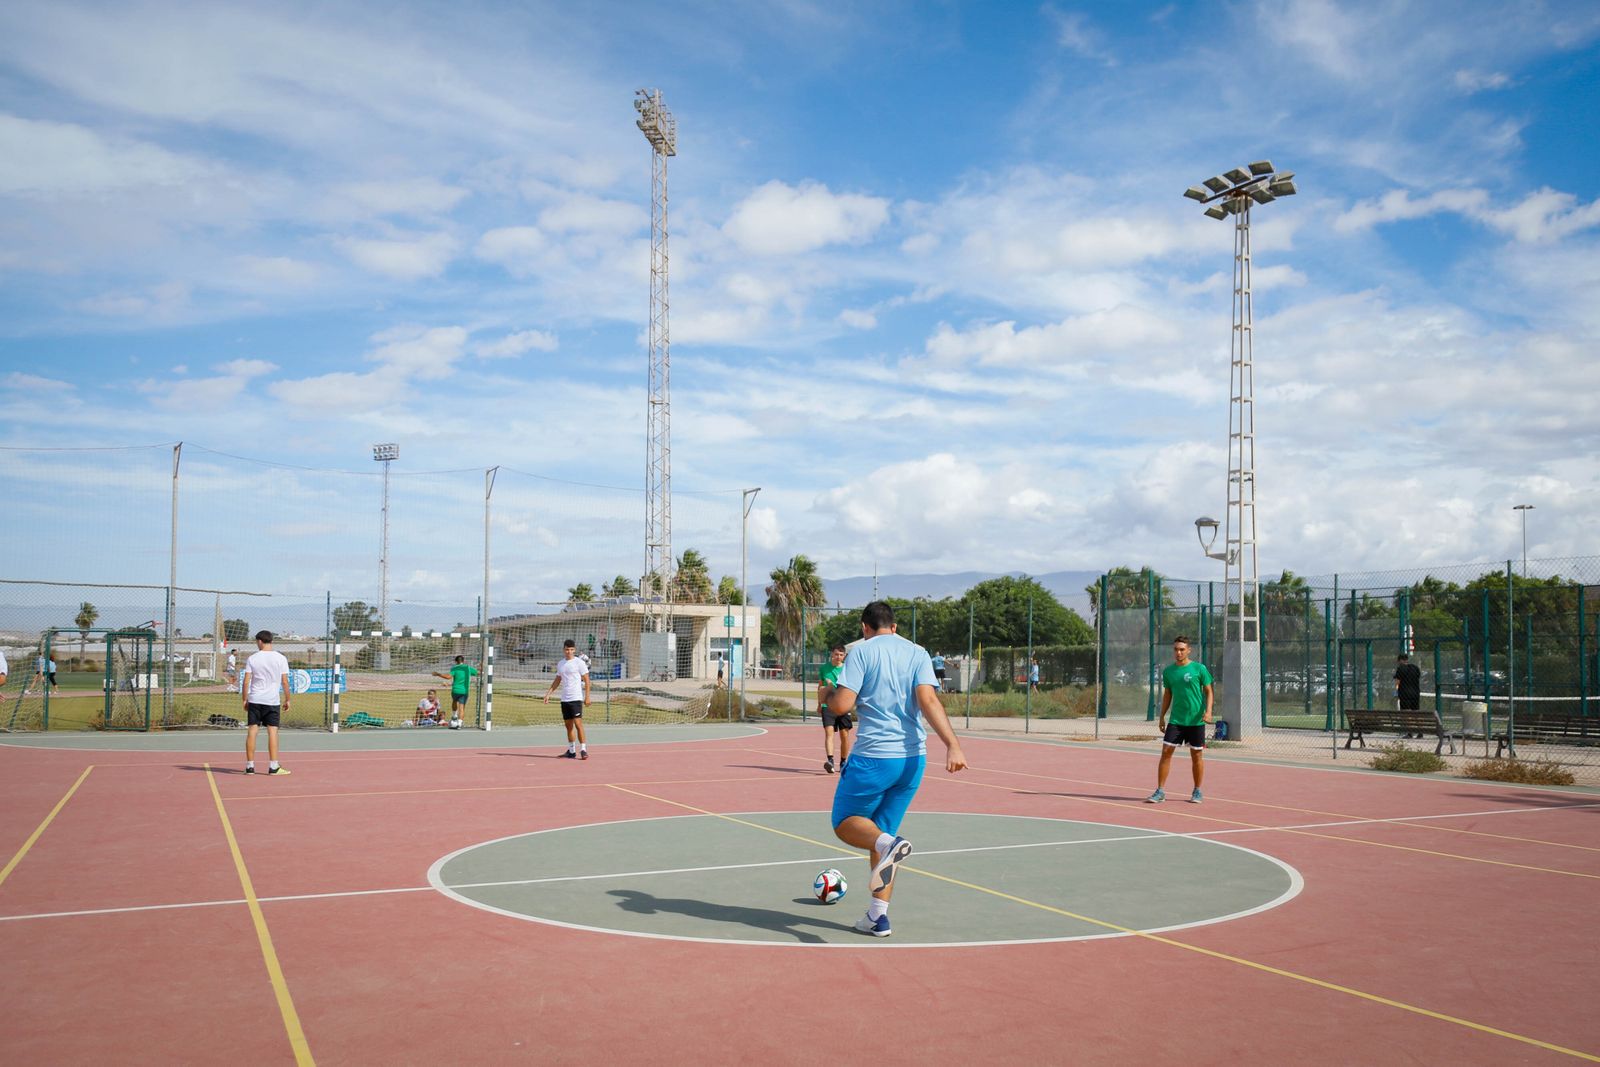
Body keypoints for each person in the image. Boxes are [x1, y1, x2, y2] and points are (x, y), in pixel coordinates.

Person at [827, 601, 967, 938]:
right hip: (913, 760)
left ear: (865, 627)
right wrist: (953, 744)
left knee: (845, 825)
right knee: (881, 835)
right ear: (894, 625)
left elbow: (842, 704)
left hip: (875, 757)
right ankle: (878, 917)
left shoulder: (861, 652)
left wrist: (828, 694)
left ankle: (890, 849)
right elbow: (929, 700)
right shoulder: (918, 652)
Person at [1147, 636, 1212, 804]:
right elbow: (1167, 695)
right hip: (1176, 720)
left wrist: (1209, 711)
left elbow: (1209, 691)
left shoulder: (1199, 668)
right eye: (1176, 649)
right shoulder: (1168, 672)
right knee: (1166, 753)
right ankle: (1160, 791)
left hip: (1195, 721)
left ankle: (1197, 791)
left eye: (1182, 649)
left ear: (1189, 650)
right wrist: (1162, 717)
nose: (1179, 652)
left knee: (1196, 755)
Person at [241, 630, 291, 776]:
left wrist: (245, 699)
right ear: (271, 641)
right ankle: (273, 766)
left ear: (260, 641)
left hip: (255, 699)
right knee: (273, 732)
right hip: (271, 700)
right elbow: (285, 681)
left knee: (252, 730)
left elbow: (246, 681)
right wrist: (288, 699)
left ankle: (250, 766)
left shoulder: (252, 658)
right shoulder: (281, 658)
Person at [543, 638, 591, 758]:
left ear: (574, 650)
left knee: (578, 724)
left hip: (576, 698)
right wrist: (548, 694)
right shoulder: (561, 664)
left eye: (571, 649)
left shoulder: (579, 663)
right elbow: (557, 680)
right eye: (567, 649)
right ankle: (571, 751)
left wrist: (587, 697)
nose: (569, 651)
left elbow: (587, 680)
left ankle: (584, 750)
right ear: (563, 650)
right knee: (568, 726)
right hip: (565, 700)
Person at [818, 643, 852, 774]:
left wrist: (835, 687)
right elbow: (820, 687)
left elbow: (850, 689)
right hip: (828, 705)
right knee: (829, 733)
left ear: (844, 656)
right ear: (832, 654)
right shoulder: (824, 669)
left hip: (843, 705)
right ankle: (830, 761)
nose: (838, 657)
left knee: (844, 735)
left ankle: (843, 762)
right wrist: (819, 703)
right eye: (836, 654)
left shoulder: (847, 670)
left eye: (841, 655)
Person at [432, 654, 479, 729]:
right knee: (462, 707)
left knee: (454, 701)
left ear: (456, 661)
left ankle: (454, 715)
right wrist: (481, 667)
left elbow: (448, 677)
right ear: (463, 661)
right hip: (464, 691)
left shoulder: (454, 669)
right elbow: (478, 673)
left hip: (455, 690)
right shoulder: (468, 668)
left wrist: (438, 674)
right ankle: (459, 723)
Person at [1394, 653, 1424, 736]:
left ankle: (1410, 732)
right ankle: (1420, 731)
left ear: (1400, 660)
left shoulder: (1400, 668)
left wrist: (1396, 690)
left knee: (1406, 714)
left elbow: (1397, 682)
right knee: (1416, 712)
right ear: (1407, 659)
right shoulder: (1415, 668)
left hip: (1405, 693)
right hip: (1415, 693)